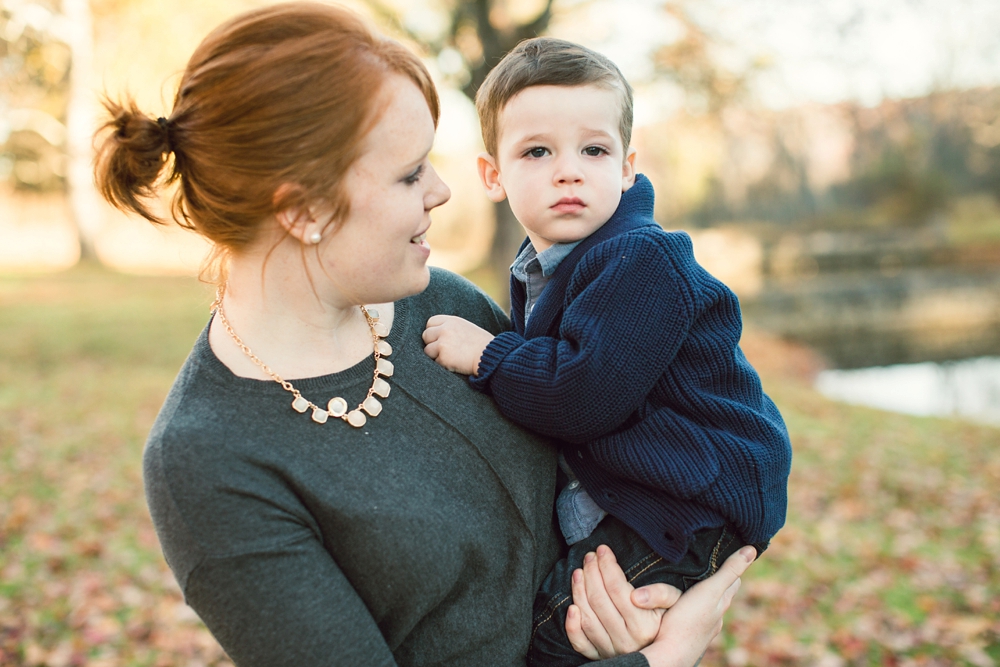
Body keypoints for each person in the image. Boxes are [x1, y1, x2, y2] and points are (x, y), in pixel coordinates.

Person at [94, 4, 755, 666]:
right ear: (303, 209)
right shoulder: (209, 460)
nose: (441, 191)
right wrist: (661, 658)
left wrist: (638, 600)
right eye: (410, 173)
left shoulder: (440, 305)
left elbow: (602, 444)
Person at [422, 38, 792, 666]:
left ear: (626, 166)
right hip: (655, 491)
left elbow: (582, 395)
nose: (569, 170)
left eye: (594, 150)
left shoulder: (643, 259)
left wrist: (489, 355)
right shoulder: (550, 265)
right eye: (536, 152)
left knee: (551, 630)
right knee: (585, 622)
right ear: (492, 175)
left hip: (691, 501)